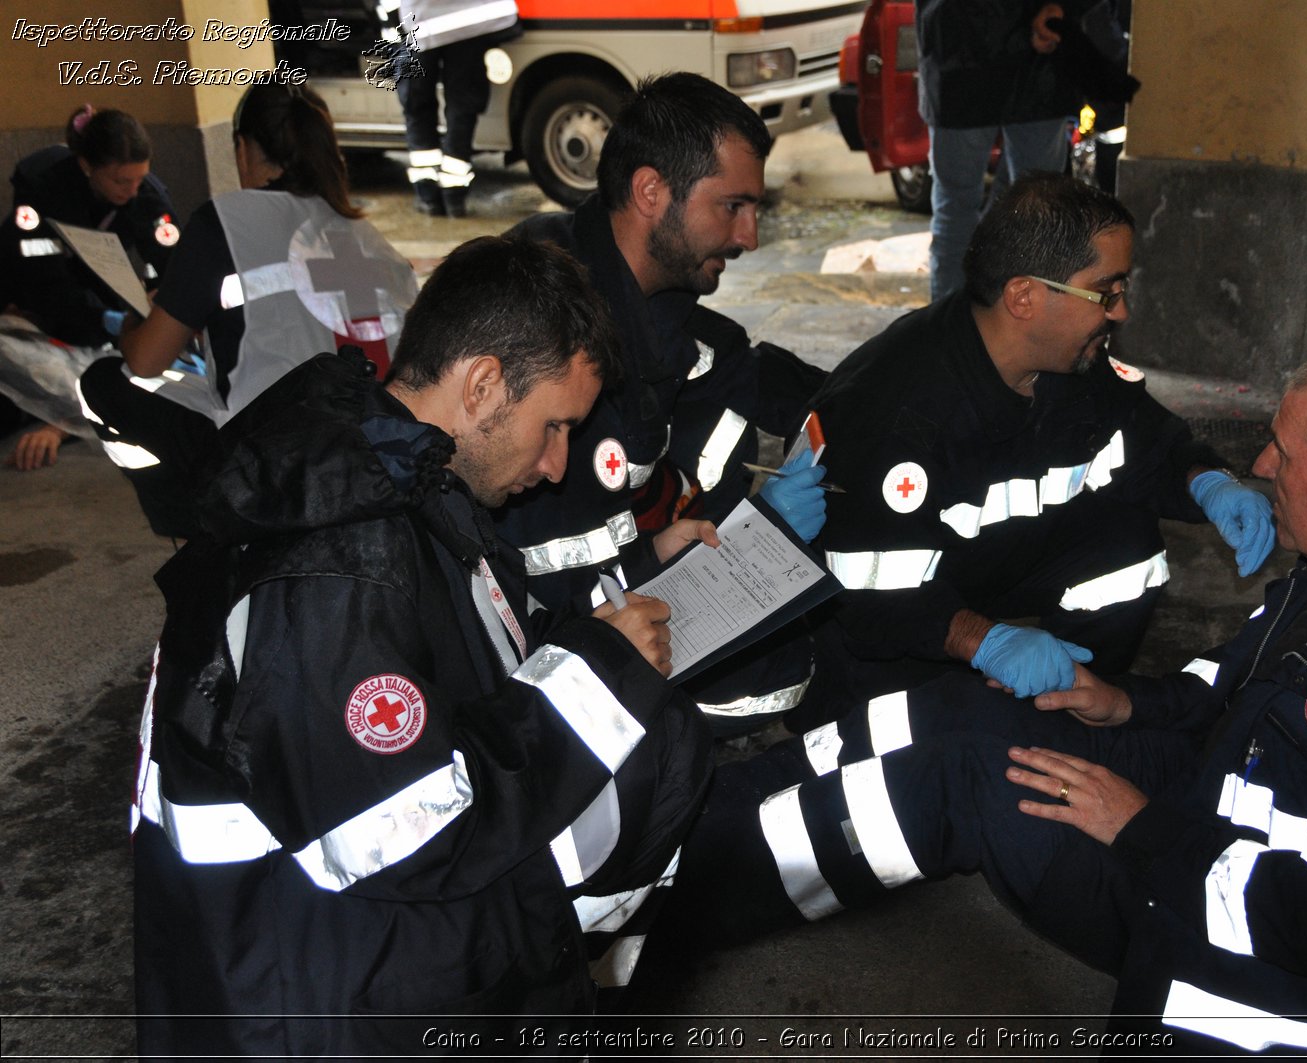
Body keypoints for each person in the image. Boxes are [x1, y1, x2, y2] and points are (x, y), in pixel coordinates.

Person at [659, 347, 1307, 1055]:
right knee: (964, 709)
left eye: (1287, 449)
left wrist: (1137, 826)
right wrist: (1120, 704)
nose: (1263, 462)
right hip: (1207, 820)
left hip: (1268, 956)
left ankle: (666, 903)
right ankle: (672, 843)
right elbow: (1222, 694)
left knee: (964, 783)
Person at [132, 235, 714, 1057]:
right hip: (315, 1011)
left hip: (359, 968)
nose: (556, 466)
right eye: (554, 426)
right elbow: (397, 830)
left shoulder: (406, 477)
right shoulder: (339, 556)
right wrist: (598, 677)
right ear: (481, 385)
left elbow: (472, 658)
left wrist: (597, 631)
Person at [792, 172, 1273, 728]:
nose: (1121, 311)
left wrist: (1205, 480)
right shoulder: (895, 408)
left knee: (1124, 537)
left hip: (987, 567)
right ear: (1024, 296)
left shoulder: (1068, 359)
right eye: (1106, 291)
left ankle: (1079, 708)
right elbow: (866, 589)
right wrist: (980, 640)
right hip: (888, 621)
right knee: (910, 745)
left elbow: (1140, 431)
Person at [500, 73, 828, 728]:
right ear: (652, 191)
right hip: (542, 669)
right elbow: (543, 580)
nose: (750, 236)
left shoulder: (680, 325)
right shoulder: (538, 324)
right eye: (732, 206)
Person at [78, 82, 417, 538]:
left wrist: (134, 323)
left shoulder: (226, 221)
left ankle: (204, 528)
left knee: (101, 381)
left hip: (271, 456)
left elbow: (146, 359)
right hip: (380, 448)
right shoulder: (365, 233)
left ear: (243, 147)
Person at [0, 105, 178, 471]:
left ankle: (59, 418)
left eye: (138, 179)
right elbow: (43, 282)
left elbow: (171, 266)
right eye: (119, 181)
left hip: (100, 302)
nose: (131, 191)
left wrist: (164, 312)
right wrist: (108, 321)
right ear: (86, 166)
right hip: (31, 302)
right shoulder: (41, 188)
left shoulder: (147, 197)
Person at [917, 0, 1085, 301]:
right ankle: (1009, 326)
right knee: (1033, 211)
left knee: (970, 209)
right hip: (1004, 63)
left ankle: (955, 332)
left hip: (965, 61)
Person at [391, 0, 519, 216]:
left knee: (417, 103)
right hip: (470, 19)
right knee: (463, 105)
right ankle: (454, 196)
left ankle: (428, 195)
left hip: (416, 20)